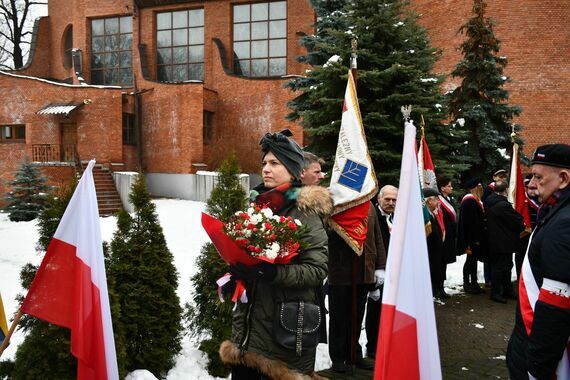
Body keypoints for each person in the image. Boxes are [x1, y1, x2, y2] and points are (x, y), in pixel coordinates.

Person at [219, 131, 333, 380]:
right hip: (248, 334)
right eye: (264, 163)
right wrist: (236, 275)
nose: (266, 169)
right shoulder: (257, 205)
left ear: (293, 170)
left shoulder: (306, 211)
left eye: (274, 163)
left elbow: (317, 270)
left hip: (284, 333)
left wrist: (271, 272)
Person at [507, 144, 570, 380]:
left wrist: (537, 367)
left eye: (538, 177)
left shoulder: (563, 224)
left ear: (563, 179)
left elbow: (556, 305)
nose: (531, 184)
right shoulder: (557, 213)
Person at [327, 203, 386, 373]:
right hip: (340, 271)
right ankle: (338, 356)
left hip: (364, 269)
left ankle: (354, 353)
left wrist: (380, 266)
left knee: (357, 315)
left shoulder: (370, 206)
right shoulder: (337, 202)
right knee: (339, 316)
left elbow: (377, 238)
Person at [365, 184, 398, 358]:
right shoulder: (372, 216)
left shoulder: (396, 218)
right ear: (379, 199)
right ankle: (372, 348)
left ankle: (387, 344)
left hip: (393, 275)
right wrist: (373, 282)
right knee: (375, 314)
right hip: (377, 275)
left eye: (394, 200)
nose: (391, 203)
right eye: (387, 199)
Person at [485, 180, 525, 303]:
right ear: (506, 190)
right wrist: (522, 223)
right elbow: (517, 221)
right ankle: (496, 293)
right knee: (500, 268)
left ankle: (507, 290)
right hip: (503, 241)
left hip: (496, 240)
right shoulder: (503, 205)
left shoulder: (490, 201)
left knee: (506, 266)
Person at [457, 178, 487, 294]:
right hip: (471, 237)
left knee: (473, 261)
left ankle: (474, 283)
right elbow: (470, 223)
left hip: (476, 237)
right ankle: (467, 283)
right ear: (474, 188)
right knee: (470, 261)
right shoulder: (469, 201)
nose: (481, 188)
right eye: (478, 186)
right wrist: (474, 239)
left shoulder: (475, 200)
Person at [424, 187, 446, 299]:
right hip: (430, 252)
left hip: (436, 251)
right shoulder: (425, 216)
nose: (438, 202)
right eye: (436, 199)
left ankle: (436, 289)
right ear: (429, 201)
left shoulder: (432, 214)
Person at [437, 175, 458, 296]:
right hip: (442, 235)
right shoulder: (438, 200)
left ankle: (441, 287)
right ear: (442, 188)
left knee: (444, 262)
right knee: (439, 262)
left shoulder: (449, 199)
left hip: (449, 235)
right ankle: (437, 287)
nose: (451, 188)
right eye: (449, 186)